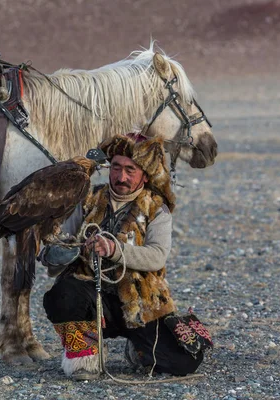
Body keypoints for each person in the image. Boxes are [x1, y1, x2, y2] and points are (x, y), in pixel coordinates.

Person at [41, 134, 210, 381]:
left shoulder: (157, 208)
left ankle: (137, 350)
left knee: (183, 361)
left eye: (130, 170)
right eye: (117, 168)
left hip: (141, 301)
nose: (121, 177)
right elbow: (56, 246)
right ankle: (86, 354)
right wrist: (69, 250)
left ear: (145, 174)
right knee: (62, 295)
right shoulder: (87, 200)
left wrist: (113, 250)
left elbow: (157, 256)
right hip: (92, 295)